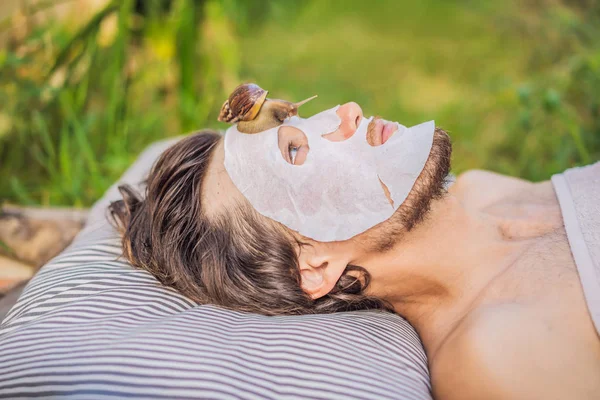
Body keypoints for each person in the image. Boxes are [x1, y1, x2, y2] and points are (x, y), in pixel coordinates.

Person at [110, 84, 600, 399]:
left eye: (297, 128)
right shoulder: (496, 356)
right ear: (315, 266)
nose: (348, 112)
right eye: (295, 152)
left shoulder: (483, 190)